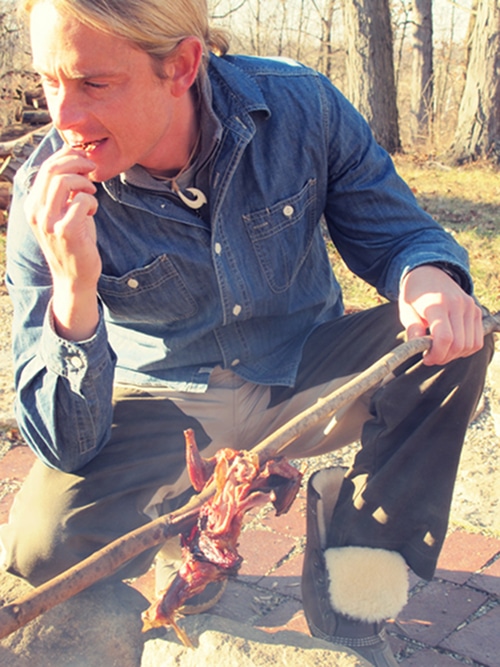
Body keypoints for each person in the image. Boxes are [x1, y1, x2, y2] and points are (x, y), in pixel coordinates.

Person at [1, 0, 493, 665]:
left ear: (180, 66)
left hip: (302, 372)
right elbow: (64, 441)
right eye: (49, 82)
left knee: (458, 332)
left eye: (93, 83)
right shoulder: (44, 199)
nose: (63, 116)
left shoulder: (300, 108)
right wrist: (74, 292)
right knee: (41, 547)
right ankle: (196, 531)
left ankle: (354, 564)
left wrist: (426, 275)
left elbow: (399, 232)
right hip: (161, 402)